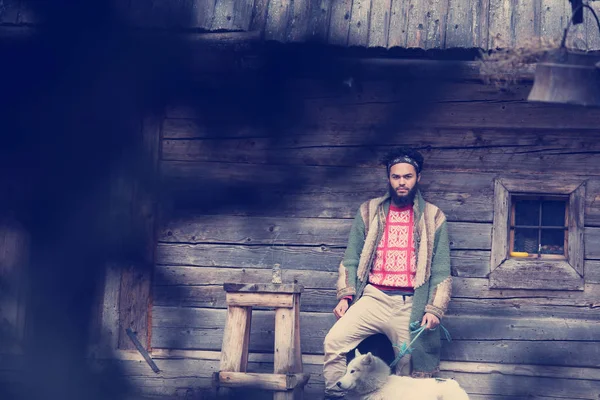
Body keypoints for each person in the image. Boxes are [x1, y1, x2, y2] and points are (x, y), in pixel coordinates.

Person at [323, 147, 453, 399]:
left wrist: (434, 309)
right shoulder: (369, 211)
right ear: (388, 179)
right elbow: (351, 257)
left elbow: (441, 269)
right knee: (334, 343)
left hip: (409, 304)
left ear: (418, 178)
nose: (401, 182)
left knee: (408, 363)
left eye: (407, 176)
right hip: (373, 297)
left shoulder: (433, 216)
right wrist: (345, 297)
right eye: (396, 177)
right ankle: (334, 396)